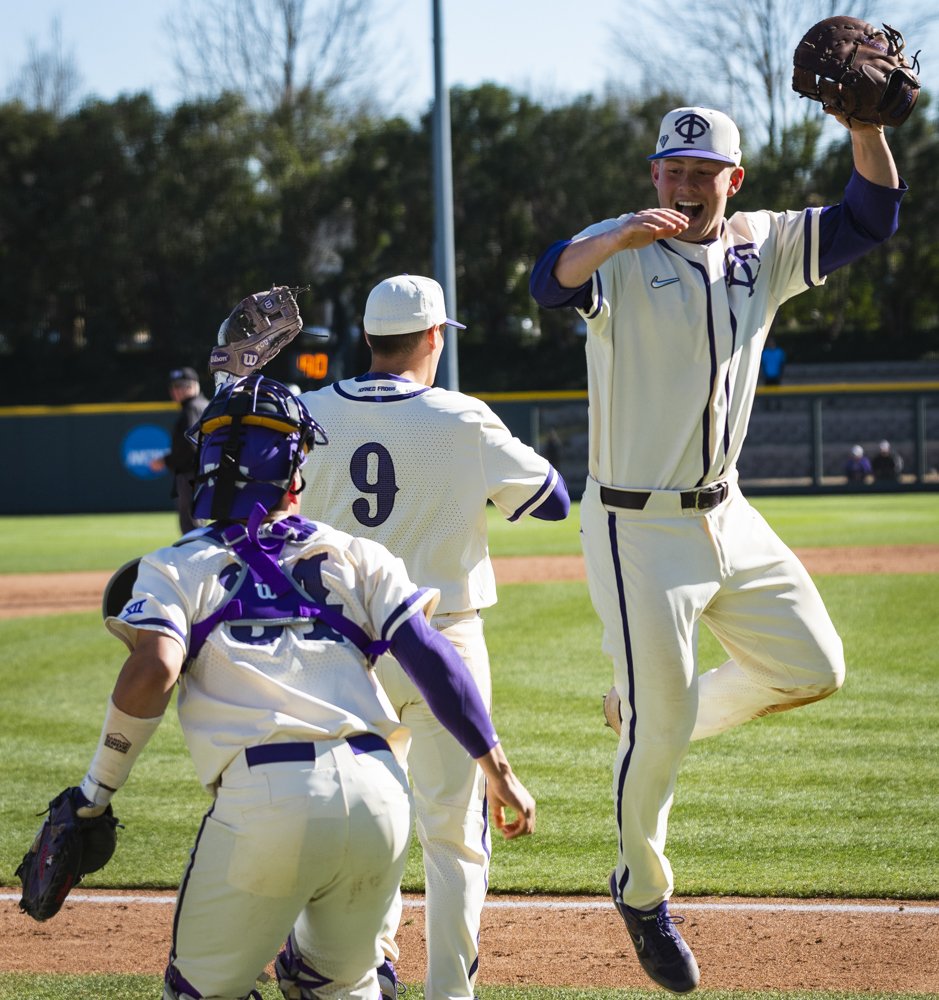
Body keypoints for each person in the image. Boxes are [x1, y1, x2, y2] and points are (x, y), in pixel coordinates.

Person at [530, 103, 904, 993]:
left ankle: (648, 719)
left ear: (733, 181)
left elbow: (870, 218)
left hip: (728, 513)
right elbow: (548, 284)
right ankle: (640, 887)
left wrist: (862, 128)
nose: (686, 185)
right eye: (672, 169)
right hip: (634, 526)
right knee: (657, 737)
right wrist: (615, 236)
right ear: (653, 173)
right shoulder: (615, 250)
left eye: (704, 173)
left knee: (813, 665)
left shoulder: (762, 244)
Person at [77, 375, 535, 1000]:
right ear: (299, 469)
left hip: (266, 798)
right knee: (338, 984)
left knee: (199, 990)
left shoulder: (176, 565)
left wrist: (95, 790)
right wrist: (497, 768)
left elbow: (154, 668)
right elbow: (431, 656)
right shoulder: (359, 554)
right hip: (379, 795)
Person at [295, 274, 570, 1000]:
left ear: (368, 338)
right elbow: (552, 501)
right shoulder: (462, 417)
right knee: (451, 838)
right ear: (432, 338)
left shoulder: (308, 413)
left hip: (338, 652)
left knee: (358, 824)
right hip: (440, 644)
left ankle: (364, 967)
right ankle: (448, 990)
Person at [162, 367, 209, 534]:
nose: (174, 391)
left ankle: (195, 559)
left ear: (192, 386)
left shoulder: (193, 407)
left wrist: (166, 461)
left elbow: (191, 445)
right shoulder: (204, 405)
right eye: (172, 387)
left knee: (191, 528)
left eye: (179, 386)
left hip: (192, 474)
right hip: (202, 472)